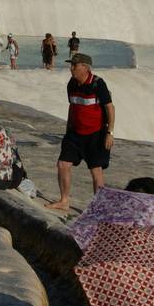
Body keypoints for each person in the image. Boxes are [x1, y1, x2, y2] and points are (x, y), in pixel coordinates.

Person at [46, 53, 114, 212]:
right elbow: (73, 105)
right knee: (62, 164)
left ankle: (99, 208)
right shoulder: (72, 84)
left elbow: (110, 108)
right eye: (71, 65)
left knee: (96, 171)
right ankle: (64, 201)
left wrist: (109, 132)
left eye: (74, 66)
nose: (71, 68)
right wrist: (68, 128)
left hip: (96, 134)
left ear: (85, 67)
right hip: (75, 133)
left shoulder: (98, 84)